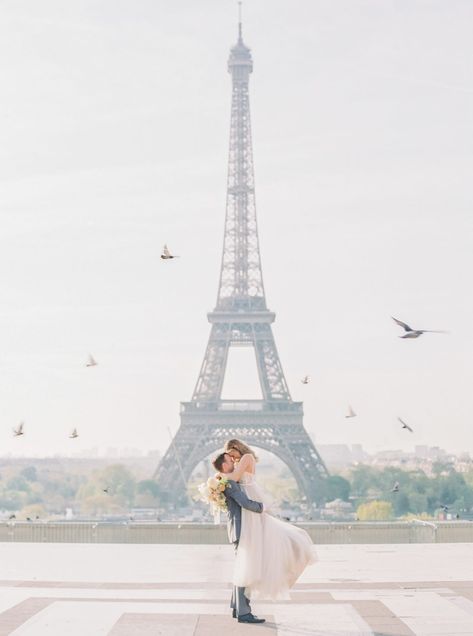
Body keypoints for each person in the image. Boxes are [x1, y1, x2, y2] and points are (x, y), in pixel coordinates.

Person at [219, 438, 316, 601]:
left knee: (248, 559)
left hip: (251, 502)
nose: (231, 457)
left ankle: (242, 607)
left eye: (231, 453)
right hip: (249, 506)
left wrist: (219, 478)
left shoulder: (246, 458)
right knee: (246, 561)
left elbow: (233, 478)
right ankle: (240, 607)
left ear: (236, 447)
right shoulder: (241, 461)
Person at [212, 452, 266, 624]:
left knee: (241, 569)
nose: (234, 462)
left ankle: (238, 608)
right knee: (245, 569)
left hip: (239, 529)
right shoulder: (229, 483)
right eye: (230, 461)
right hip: (242, 529)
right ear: (224, 465)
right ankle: (244, 613)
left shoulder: (225, 481)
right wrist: (264, 507)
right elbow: (245, 503)